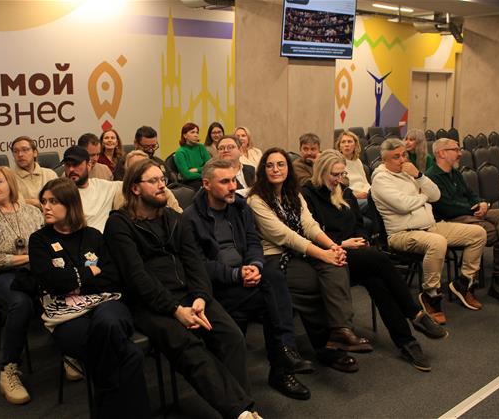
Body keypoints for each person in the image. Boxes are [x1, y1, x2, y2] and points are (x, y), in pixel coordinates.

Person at [104, 159, 261, 419]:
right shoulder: (119, 224)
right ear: (135, 188)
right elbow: (137, 278)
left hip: (190, 294)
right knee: (190, 347)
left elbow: (195, 264)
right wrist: (175, 309)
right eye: (153, 181)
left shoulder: (175, 219)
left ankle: (240, 409)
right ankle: (242, 412)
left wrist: (200, 297)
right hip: (151, 304)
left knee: (231, 336)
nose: (162, 186)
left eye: (162, 179)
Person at [302, 150, 447, 372]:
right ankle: (415, 313)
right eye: (334, 175)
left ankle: (407, 342)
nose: (339, 179)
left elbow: (360, 224)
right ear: (321, 172)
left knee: (377, 281)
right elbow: (310, 234)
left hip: (356, 255)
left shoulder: (345, 192)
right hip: (329, 256)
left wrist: (361, 240)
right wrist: (342, 243)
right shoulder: (307, 195)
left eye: (342, 174)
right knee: (379, 260)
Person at [183, 158, 313, 400]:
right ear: (206, 184)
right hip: (218, 286)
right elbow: (198, 265)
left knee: (272, 278)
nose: (233, 186)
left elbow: (253, 243)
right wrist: (236, 274)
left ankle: (283, 356)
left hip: (246, 276)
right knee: (271, 295)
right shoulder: (190, 218)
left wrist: (254, 265)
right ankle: (282, 361)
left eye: (234, 180)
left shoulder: (240, 207)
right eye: (225, 182)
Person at [29, 177, 151, 418]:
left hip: (107, 303)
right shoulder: (39, 240)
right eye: (44, 201)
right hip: (67, 316)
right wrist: (89, 273)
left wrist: (72, 280)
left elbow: (112, 278)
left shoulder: (93, 235)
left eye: (53, 201)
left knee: (108, 324)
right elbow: (51, 283)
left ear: (70, 204)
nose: (46, 207)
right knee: (130, 355)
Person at [247, 148, 370, 374]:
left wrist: (333, 247)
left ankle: (341, 330)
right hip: (276, 256)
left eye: (281, 164)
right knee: (313, 283)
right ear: (263, 170)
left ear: (288, 168)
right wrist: (323, 253)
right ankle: (326, 348)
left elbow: (309, 226)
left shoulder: (294, 194)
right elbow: (285, 235)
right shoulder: (256, 200)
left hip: (299, 251)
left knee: (336, 262)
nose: (276, 169)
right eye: (270, 165)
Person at [371, 138, 487, 324]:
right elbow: (403, 205)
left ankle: (464, 283)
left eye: (404, 154)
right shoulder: (380, 180)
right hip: (402, 234)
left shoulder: (410, 173)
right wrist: (423, 197)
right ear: (384, 160)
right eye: (396, 157)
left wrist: (419, 176)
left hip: (431, 227)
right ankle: (430, 295)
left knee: (478, 233)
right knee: (437, 242)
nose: (402, 160)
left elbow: (436, 195)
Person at [0, 166, 43, 405]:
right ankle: (9, 369)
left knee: (61, 288)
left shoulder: (33, 212)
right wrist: (28, 258)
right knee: (21, 303)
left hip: (34, 271)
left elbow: (45, 242)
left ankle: (70, 353)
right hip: (4, 275)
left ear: (10, 184)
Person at [427, 138, 499, 305]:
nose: (460, 153)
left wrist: (482, 203)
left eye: (459, 149)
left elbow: (471, 194)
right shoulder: (432, 177)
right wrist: (474, 208)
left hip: (471, 212)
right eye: (455, 150)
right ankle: (498, 280)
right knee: (496, 231)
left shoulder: (455, 173)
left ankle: (498, 280)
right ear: (441, 153)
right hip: (452, 219)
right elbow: (446, 207)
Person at [61, 145, 122, 232]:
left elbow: (131, 183)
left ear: (88, 165)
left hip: (104, 237)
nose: (71, 169)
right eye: (67, 165)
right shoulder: (60, 193)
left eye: (75, 164)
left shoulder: (104, 186)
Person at [112, 150, 182, 212]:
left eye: (162, 179)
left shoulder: (163, 190)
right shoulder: (120, 192)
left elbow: (178, 214)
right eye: (136, 167)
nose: (161, 185)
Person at [11, 136, 58, 207]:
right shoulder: (9, 177)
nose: (20, 154)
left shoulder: (50, 174)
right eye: (15, 151)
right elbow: (10, 203)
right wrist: (34, 202)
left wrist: (31, 202)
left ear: (35, 153)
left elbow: (59, 200)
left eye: (25, 150)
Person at [335, 131, 371, 210]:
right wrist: (356, 195)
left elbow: (365, 182)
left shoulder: (357, 161)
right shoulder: (337, 163)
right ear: (339, 146)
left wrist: (367, 192)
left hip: (364, 195)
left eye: (349, 141)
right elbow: (339, 190)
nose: (346, 145)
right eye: (343, 142)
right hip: (351, 198)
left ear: (355, 145)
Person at [173, 122, 211, 190]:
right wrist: (203, 174)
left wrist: (196, 169)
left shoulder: (201, 147)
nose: (196, 135)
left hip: (205, 179)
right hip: (190, 183)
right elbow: (187, 175)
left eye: (197, 132)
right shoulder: (180, 152)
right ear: (185, 135)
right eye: (192, 132)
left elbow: (210, 166)